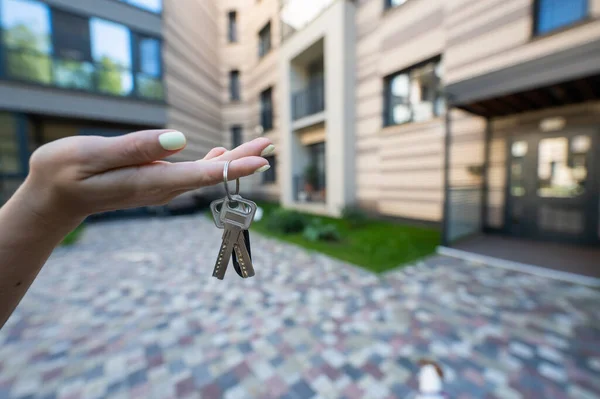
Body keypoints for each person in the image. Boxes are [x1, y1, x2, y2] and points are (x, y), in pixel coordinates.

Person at [0, 129, 274, 328]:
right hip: (232, 227)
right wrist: (44, 198)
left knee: (235, 253)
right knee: (233, 254)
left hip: (234, 228)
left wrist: (44, 202)